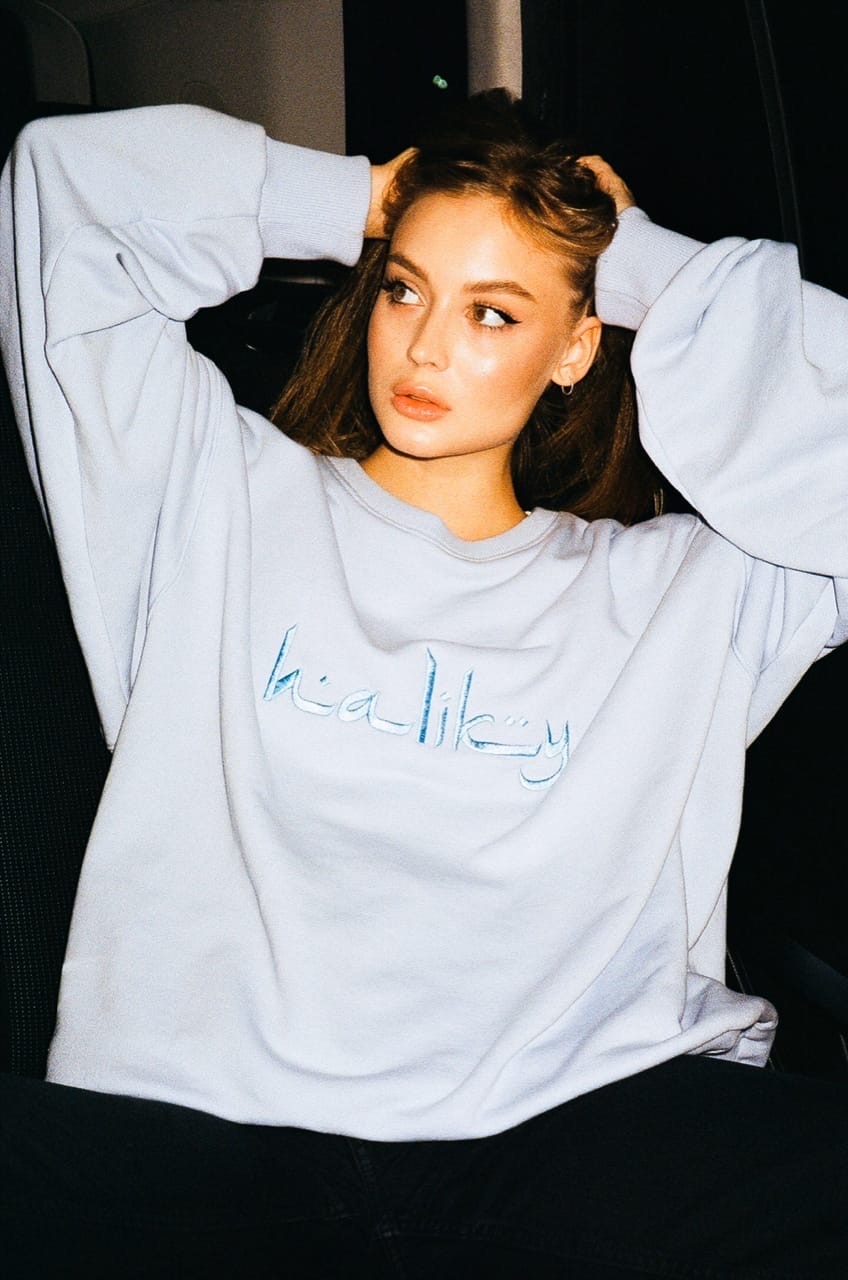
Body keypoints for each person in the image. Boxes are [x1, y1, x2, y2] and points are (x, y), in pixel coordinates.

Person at [0, 88, 846, 1278]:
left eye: (493, 311)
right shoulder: (207, 494)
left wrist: (636, 262)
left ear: (576, 346)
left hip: (570, 1128)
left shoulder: (686, 592)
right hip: (203, 1132)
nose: (427, 345)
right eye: (405, 288)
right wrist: (366, 196)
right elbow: (65, 190)